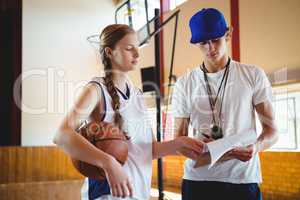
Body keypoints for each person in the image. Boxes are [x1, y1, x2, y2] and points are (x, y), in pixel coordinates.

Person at [53, 24, 204, 200]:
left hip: (138, 191)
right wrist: (108, 162)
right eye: (129, 48)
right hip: (107, 193)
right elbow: (61, 135)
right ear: (110, 52)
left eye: (137, 47)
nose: (137, 54)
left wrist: (180, 143)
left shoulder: (138, 95)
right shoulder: (96, 90)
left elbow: (150, 150)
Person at [172, 8, 278, 200]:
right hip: (198, 182)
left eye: (216, 39)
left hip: (241, 180)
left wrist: (256, 147)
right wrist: (197, 148)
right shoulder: (184, 83)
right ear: (196, 43)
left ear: (228, 34)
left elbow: (272, 131)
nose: (210, 47)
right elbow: (178, 140)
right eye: (203, 42)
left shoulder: (253, 75)